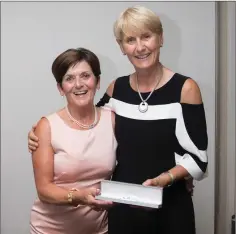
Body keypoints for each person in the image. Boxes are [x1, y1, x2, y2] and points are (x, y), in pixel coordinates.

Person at [28, 5, 208, 234]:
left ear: (160, 38)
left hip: (170, 206)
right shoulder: (117, 89)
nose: (140, 47)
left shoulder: (185, 89)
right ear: (122, 47)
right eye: (130, 40)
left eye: (147, 36)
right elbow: (86, 121)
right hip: (122, 209)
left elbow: (199, 159)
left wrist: (168, 178)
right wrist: (38, 133)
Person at [29, 47, 117, 234]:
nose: (79, 84)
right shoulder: (47, 126)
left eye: (85, 75)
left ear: (97, 81)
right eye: (69, 78)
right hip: (51, 229)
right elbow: (44, 190)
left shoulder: (113, 120)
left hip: (99, 229)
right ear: (61, 88)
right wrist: (79, 197)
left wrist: (181, 170)